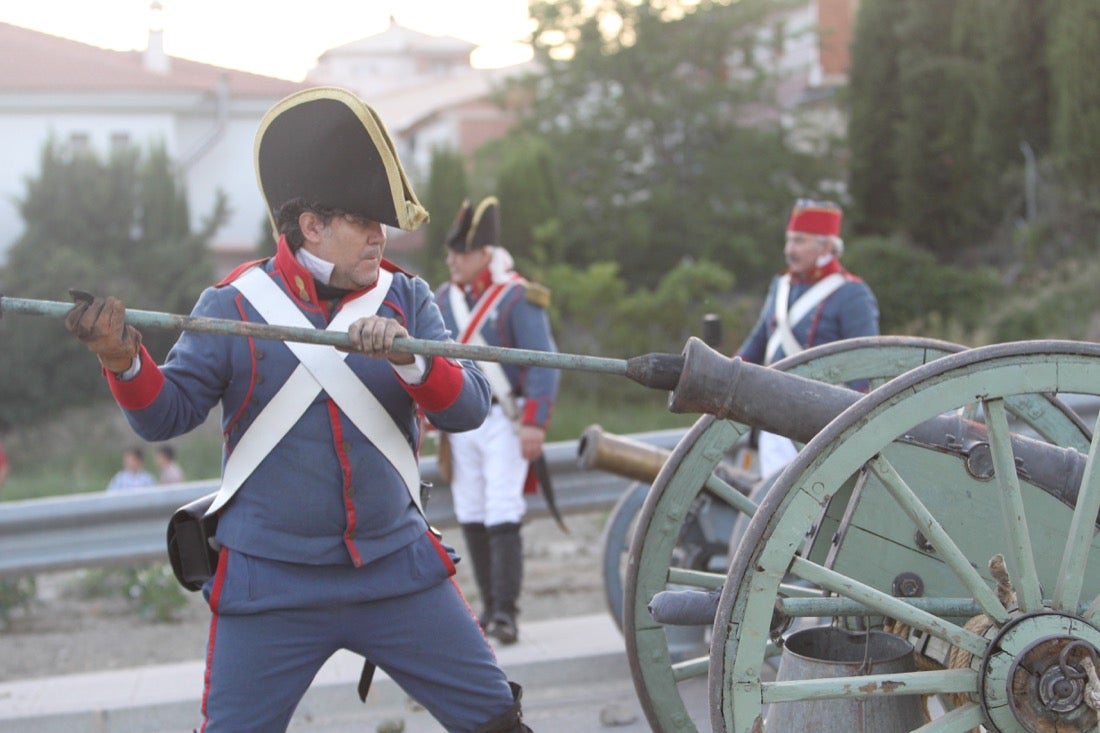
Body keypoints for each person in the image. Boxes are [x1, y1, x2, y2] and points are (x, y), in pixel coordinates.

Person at [65, 87, 531, 733]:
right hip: (270, 582)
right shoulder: (232, 303)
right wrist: (122, 361)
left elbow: (470, 407)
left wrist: (411, 359)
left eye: (382, 220)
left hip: (396, 567)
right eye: (364, 220)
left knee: (497, 722)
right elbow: (164, 416)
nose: (381, 234)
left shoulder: (408, 297)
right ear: (312, 224)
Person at [434, 196, 560, 645]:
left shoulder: (516, 297)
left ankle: (505, 612)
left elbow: (542, 363)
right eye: (451, 253)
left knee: (503, 509)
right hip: (460, 422)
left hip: (505, 420)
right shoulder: (443, 299)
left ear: (483, 254)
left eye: (460, 253)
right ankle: (487, 609)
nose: (452, 261)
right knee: (470, 510)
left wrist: (534, 422)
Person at [736, 198, 879, 478]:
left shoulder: (852, 293)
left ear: (826, 246)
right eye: (789, 240)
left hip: (821, 421)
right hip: (772, 413)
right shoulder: (781, 285)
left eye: (799, 241)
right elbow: (757, 343)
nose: (789, 250)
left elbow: (866, 370)